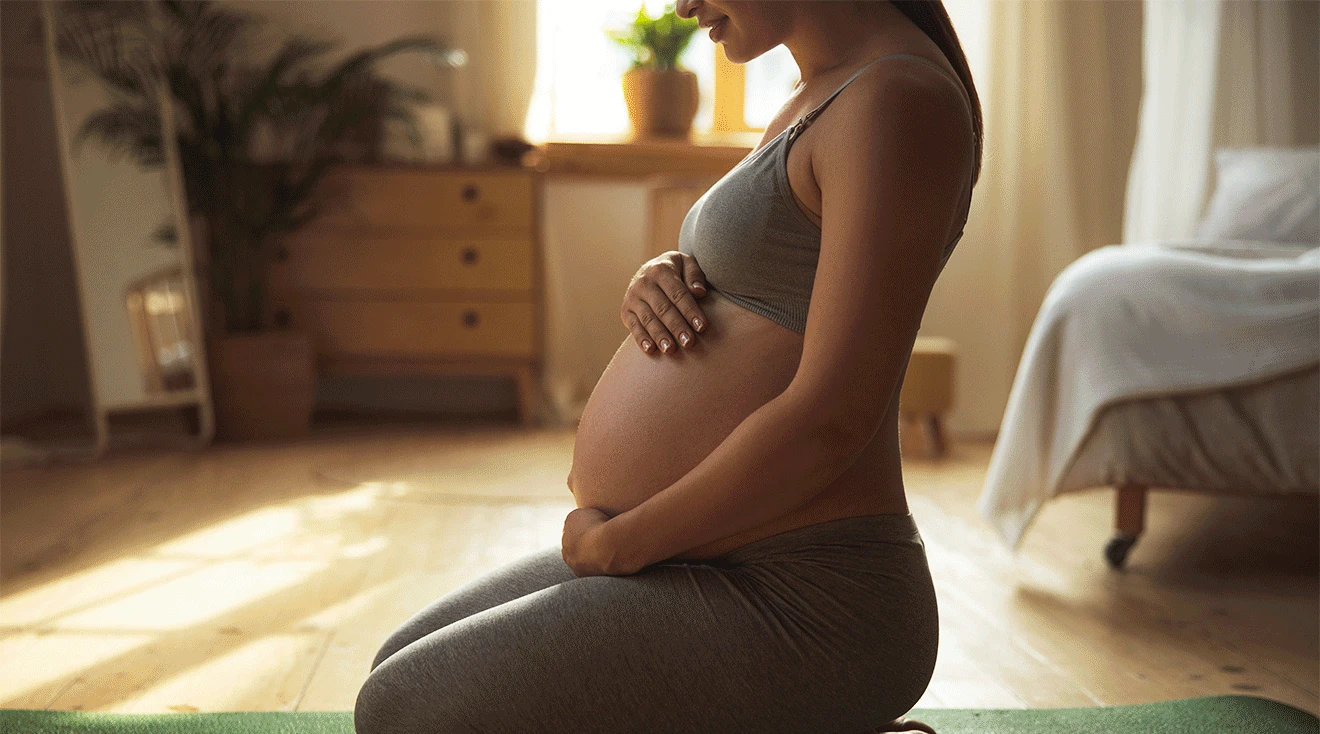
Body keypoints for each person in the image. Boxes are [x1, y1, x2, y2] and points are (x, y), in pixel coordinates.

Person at [356, 1, 981, 732]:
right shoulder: (827, 89)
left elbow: (833, 418)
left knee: (401, 709)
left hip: (809, 599)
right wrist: (672, 275)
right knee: (399, 663)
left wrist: (620, 544)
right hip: (712, 558)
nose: (683, 4)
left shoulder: (898, 100)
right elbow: (781, 279)